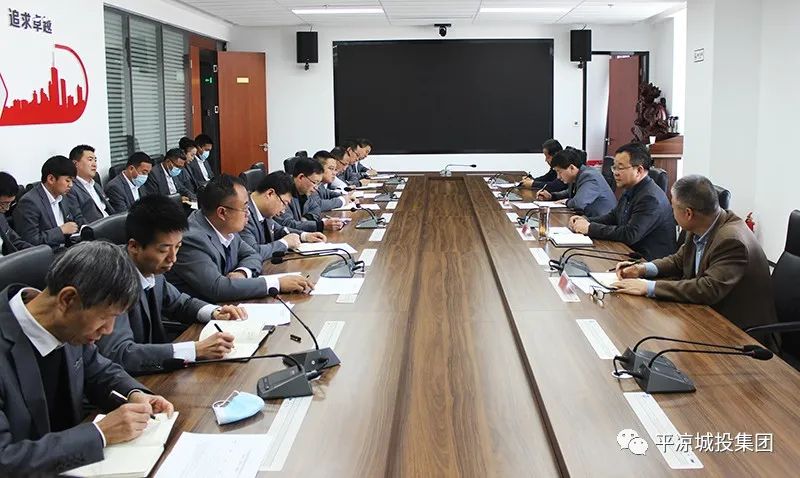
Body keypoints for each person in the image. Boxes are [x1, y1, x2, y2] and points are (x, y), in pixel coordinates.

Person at [0, 241, 174, 474]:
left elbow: (98, 370)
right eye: (105, 317)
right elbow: (5, 460)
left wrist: (134, 394)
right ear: (67, 299)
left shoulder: (66, 325)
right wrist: (100, 434)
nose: (109, 330)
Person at [96, 195, 247, 375]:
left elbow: (180, 303)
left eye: (177, 247)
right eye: (163, 250)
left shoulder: (152, 268)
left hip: (156, 371)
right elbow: (121, 353)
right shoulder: (112, 280)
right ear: (134, 246)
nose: (172, 258)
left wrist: (215, 312)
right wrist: (195, 350)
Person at [612, 175, 778, 331]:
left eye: (672, 206)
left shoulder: (732, 241)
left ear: (688, 213)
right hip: (708, 314)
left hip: (738, 330)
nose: (671, 211)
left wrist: (648, 287)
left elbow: (708, 288)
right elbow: (679, 260)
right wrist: (642, 269)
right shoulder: (702, 225)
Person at [165, 174, 314, 302]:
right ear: (222, 213)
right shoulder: (192, 239)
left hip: (229, 306)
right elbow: (217, 288)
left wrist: (243, 272)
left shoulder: (226, 227)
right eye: (244, 208)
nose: (248, 213)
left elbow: (252, 254)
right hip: (197, 319)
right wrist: (276, 283)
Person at [568, 142, 676, 260]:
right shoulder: (631, 188)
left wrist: (590, 228)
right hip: (628, 251)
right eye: (614, 167)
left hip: (649, 261)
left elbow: (630, 234)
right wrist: (586, 220)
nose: (615, 173)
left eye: (620, 168)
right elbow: (613, 216)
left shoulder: (650, 198)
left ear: (639, 170)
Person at [242, 171, 326, 262]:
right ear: (270, 193)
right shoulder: (243, 214)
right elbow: (253, 252)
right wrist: (285, 243)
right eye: (284, 203)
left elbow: (279, 230)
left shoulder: (263, 212)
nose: (283, 210)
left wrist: (305, 236)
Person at [13, 155, 85, 248]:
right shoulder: (29, 203)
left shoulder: (63, 196)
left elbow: (74, 221)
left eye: (72, 181)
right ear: (51, 179)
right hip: (49, 253)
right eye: (67, 180)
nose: (71, 185)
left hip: (68, 248)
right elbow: (31, 241)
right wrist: (61, 231)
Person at [536, 148, 616, 217]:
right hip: (590, 218)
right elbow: (569, 193)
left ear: (572, 168)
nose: (558, 177)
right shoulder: (578, 175)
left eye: (559, 172)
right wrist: (551, 196)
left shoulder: (589, 177)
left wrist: (566, 201)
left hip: (603, 223)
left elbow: (579, 203)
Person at [274, 158, 345, 233]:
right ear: (301, 177)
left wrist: (305, 220)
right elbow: (287, 224)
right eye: (314, 182)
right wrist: (320, 225)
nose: (316, 188)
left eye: (318, 183)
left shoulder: (305, 192)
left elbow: (316, 208)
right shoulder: (283, 193)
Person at [67, 144, 115, 223]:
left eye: (95, 160)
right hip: (96, 228)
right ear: (75, 164)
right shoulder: (70, 188)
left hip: (111, 223)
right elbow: (78, 219)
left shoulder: (96, 185)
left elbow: (109, 210)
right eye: (90, 160)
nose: (94, 164)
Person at [0, 172, 32, 256]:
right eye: (3, 203)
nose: (7, 208)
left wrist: (37, 252)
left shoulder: (0, 216)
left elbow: (14, 241)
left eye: (10, 203)